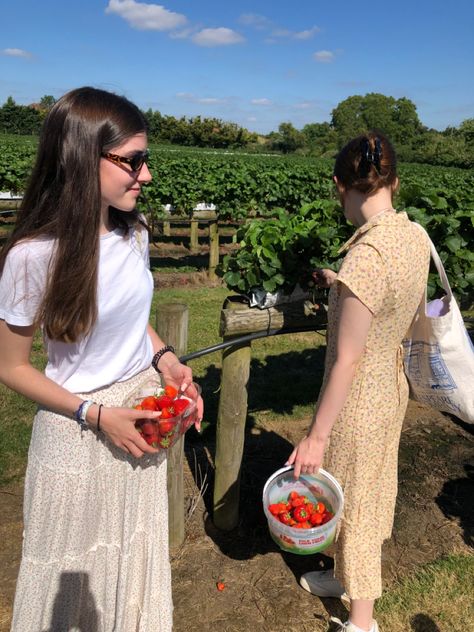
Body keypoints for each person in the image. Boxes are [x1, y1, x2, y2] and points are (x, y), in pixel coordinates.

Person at [0, 86, 202, 632]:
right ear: (82, 157)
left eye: (146, 159)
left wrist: (166, 360)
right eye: (133, 161)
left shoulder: (132, 233)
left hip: (138, 418)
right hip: (77, 433)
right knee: (69, 584)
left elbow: (134, 320)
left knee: (130, 561)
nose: (147, 175)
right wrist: (96, 414)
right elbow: (11, 367)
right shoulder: (32, 257)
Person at [287, 132, 430, 632]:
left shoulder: (366, 259)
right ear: (393, 180)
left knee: (358, 502)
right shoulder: (411, 235)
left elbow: (347, 360)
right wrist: (341, 285)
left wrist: (315, 436)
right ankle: (343, 575)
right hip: (390, 387)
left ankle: (362, 619)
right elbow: (397, 305)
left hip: (359, 397)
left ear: (338, 185)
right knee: (359, 488)